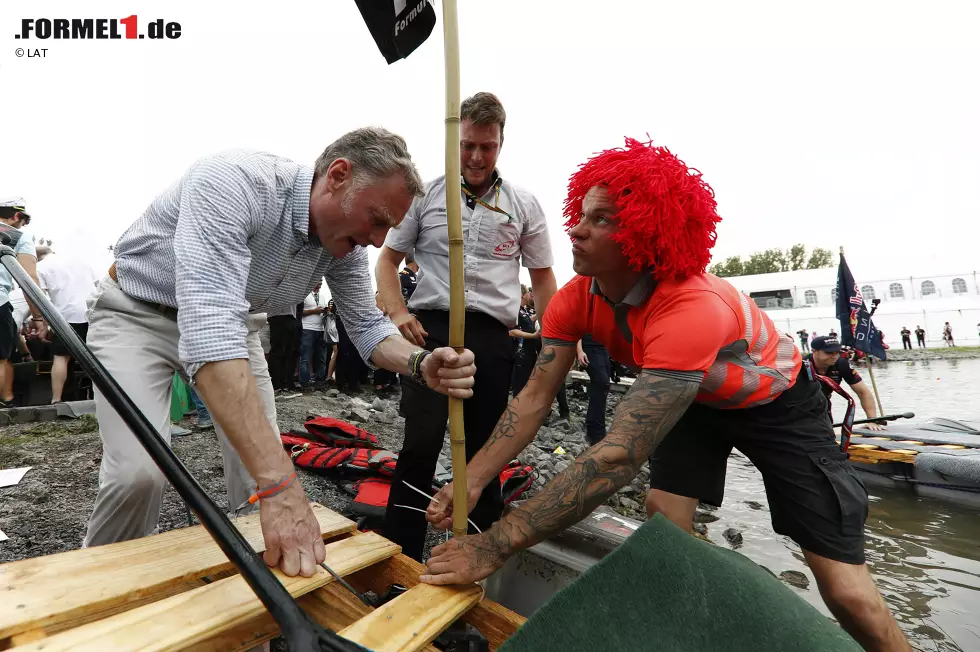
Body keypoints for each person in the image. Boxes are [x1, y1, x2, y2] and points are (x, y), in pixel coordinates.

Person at [421, 138, 909, 652]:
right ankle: (687, 626)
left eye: (603, 220)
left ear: (646, 233)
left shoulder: (689, 307)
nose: (577, 229)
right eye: (582, 214)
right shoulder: (574, 299)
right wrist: (473, 478)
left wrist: (497, 542)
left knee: (845, 590)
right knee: (663, 519)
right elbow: (533, 399)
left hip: (779, 407)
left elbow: (618, 457)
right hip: (694, 400)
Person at [82, 128, 477, 581]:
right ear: (338, 175)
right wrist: (282, 484)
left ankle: (255, 599)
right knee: (138, 474)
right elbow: (208, 335)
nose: (377, 239)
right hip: (138, 314)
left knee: (258, 471)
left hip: (234, 326)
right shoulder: (232, 182)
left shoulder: (342, 248)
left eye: (387, 228)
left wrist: (419, 363)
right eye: (377, 219)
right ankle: (100, 587)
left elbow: (367, 327)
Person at [375, 91, 558, 561]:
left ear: (501, 143)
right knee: (420, 443)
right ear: (456, 140)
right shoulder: (426, 196)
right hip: (430, 331)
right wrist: (399, 314)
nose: (476, 157)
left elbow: (541, 276)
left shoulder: (524, 205)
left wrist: (559, 335)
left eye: (487, 146)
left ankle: (477, 553)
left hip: (493, 340)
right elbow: (388, 261)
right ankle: (401, 556)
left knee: (485, 449)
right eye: (468, 145)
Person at [0, 198, 49, 408]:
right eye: (23, 221)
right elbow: (29, 278)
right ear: (17, 216)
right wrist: (38, 316)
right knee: (2, 358)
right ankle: (8, 401)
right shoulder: (18, 236)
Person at [36, 247, 100, 403]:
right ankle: (101, 398)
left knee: (61, 358)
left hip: (66, 317)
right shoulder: (80, 260)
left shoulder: (41, 267)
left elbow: (41, 299)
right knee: (98, 358)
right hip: (93, 313)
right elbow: (99, 285)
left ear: (37, 257)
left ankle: (56, 400)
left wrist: (43, 326)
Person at [807, 335, 884, 431]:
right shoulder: (801, 365)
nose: (834, 356)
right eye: (829, 353)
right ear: (814, 351)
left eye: (837, 352)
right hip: (799, 408)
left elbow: (863, 392)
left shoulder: (841, 364)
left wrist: (872, 420)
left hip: (823, 406)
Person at [576, 334, 612, 444]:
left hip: (602, 347)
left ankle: (597, 428)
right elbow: (577, 327)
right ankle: (595, 431)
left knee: (603, 386)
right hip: (589, 346)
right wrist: (579, 351)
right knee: (601, 383)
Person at [299, 282, 328, 388]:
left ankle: (320, 382)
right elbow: (298, 312)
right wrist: (313, 311)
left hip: (321, 329)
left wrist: (325, 311)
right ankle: (304, 382)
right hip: (307, 328)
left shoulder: (323, 296)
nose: (320, 284)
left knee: (321, 356)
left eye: (321, 281)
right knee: (305, 356)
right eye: (318, 281)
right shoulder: (304, 294)